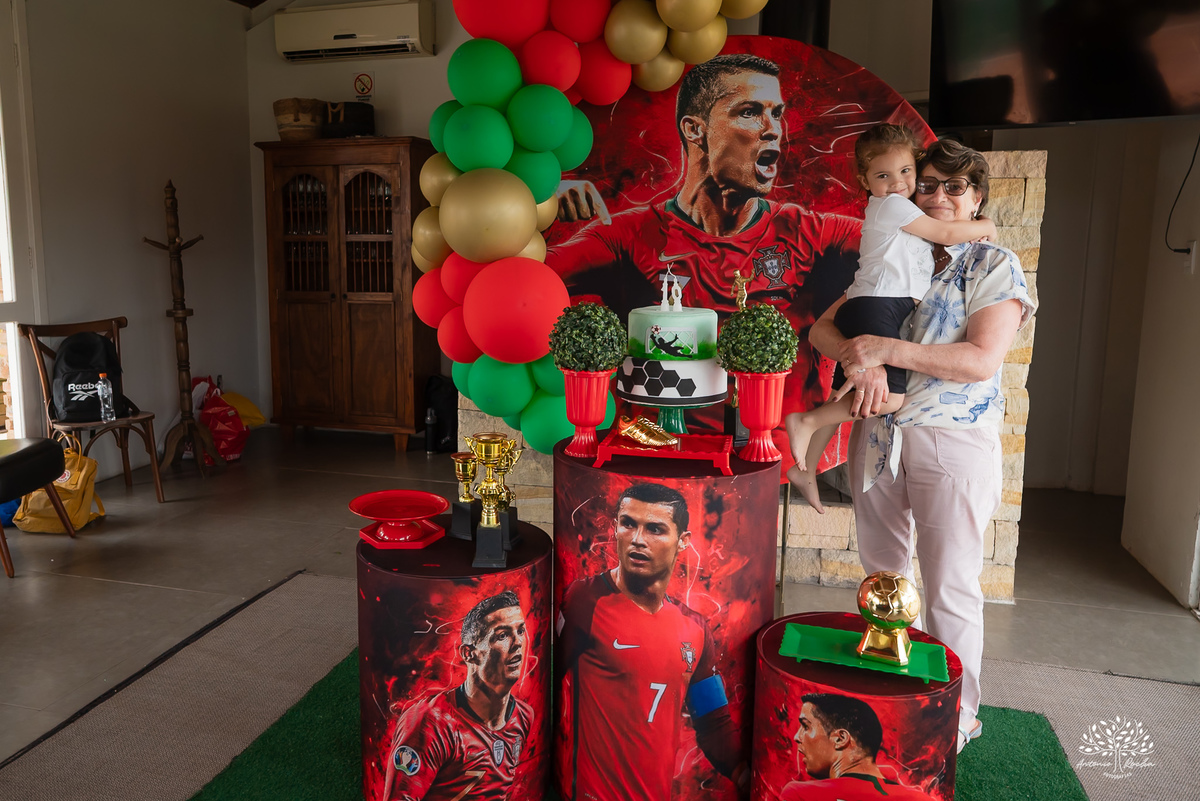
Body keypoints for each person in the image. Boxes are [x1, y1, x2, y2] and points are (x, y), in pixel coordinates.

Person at [806, 139, 1036, 753]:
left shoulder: (994, 264)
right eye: (927, 184)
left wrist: (884, 351)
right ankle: (889, 698)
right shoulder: (896, 248)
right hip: (878, 437)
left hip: (952, 442)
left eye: (953, 187)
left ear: (976, 196)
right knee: (883, 578)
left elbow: (981, 359)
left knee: (950, 587)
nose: (937, 195)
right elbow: (824, 327)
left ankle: (955, 719)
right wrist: (865, 363)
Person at [547, 54, 864, 454]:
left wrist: (870, 355)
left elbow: (917, 258)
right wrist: (543, 210)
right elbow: (524, 286)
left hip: (767, 463)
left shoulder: (815, 233)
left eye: (777, 114)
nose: (773, 131)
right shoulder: (626, 236)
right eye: (750, 112)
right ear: (695, 130)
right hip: (657, 453)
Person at [786, 124, 997, 513]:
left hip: (871, 303)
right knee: (891, 397)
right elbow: (946, 231)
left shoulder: (900, 212)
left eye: (905, 173)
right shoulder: (896, 207)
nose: (898, 183)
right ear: (865, 180)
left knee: (846, 394)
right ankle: (807, 421)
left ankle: (805, 469)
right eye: (883, 176)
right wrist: (986, 224)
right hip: (878, 305)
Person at [555, 483, 747, 800]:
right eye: (628, 523)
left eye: (655, 528)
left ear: (682, 541)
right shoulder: (584, 600)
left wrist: (745, 773)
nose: (638, 539)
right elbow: (546, 688)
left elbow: (714, 723)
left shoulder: (696, 628)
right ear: (615, 527)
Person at [381, 592, 533, 801]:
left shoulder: (524, 716)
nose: (517, 643)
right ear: (469, 653)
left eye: (521, 631)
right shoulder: (430, 723)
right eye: (502, 635)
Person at [781, 693, 936, 800]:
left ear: (840, 738)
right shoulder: (922, 799)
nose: (797, 737)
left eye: (806, 726)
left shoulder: (800, 795)